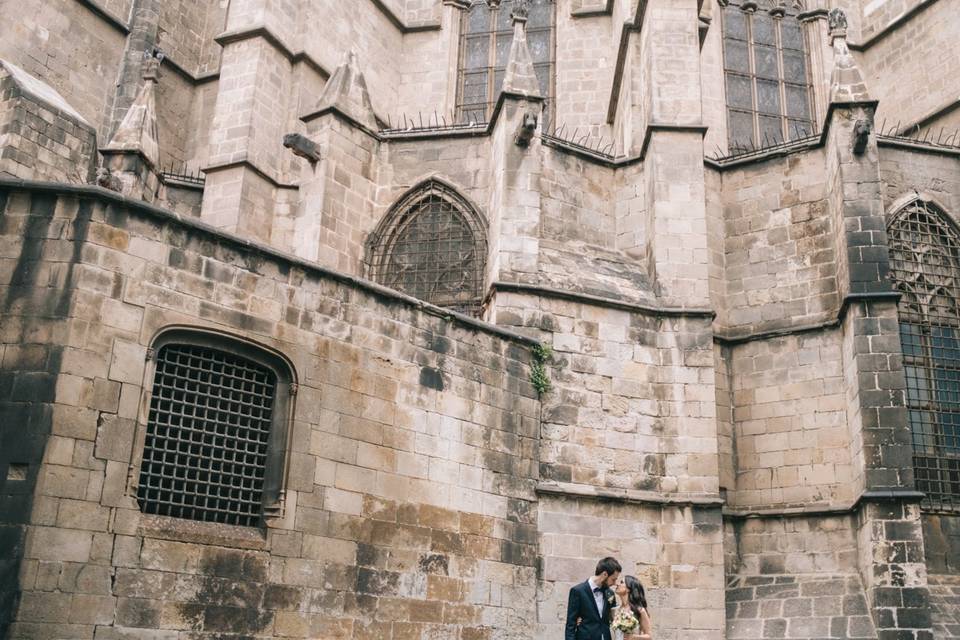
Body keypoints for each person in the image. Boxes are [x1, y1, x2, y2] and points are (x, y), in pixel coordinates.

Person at [565, 557, 622, 640]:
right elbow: (570, 624)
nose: (614, 583)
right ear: (605, 574)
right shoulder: (578, 591)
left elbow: (613, 619)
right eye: (613, 579)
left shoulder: (610, 593)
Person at [612, 575, 652, 640]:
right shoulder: (615, 610)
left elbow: (649, 636)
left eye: (621, 582)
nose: (617, 584)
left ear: (628, 589)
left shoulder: (640, 610)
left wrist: (633, 637)